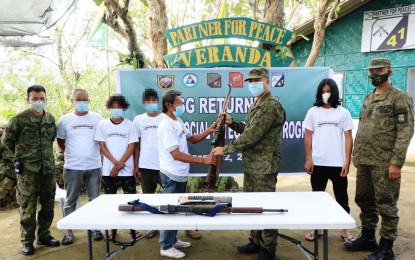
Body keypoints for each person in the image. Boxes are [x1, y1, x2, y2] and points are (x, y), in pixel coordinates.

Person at [211, 68, 286, 260]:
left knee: (266, 205)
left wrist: (225, 150)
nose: (253, 83)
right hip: (253, 164)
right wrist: (231, 122)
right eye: (250, 80)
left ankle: (269, 249)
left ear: (267, 81)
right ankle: (256, 241)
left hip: (265, 166)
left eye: (257, 80)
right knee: (253, 204)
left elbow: (252, 136)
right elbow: (249, 129)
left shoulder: (270, 105)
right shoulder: (258, 103)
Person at [344, 58, 414, 260]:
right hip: (365, 161)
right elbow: (363, 129)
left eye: (379, 70)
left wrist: (396, 162)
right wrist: (356, 153)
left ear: (389, 72)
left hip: (385, 163)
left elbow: (405, 131)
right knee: (364, 200)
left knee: (386, 204)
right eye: (371, 71)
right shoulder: (368, 98)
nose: (374, 74)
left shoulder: (399, 98)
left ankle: (386, 247)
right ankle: (367, 237)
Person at [157, 89, 217, 259]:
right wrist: (203, 161)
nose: (183, 105)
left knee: (177, 208)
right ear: (169, 105)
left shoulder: (177, 120)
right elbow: (175, 154)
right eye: (180, 103)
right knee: (170, 210)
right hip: (172, 173)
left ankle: (173, 239)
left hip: (181, 173)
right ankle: (165, 245)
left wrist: (209, 130)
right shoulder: (165, 126)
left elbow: (192, 139)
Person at [1, 85, 60, 255]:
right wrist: (22, 157)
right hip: (28, 172)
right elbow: (7, 141)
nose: (38, 101)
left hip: (47, 170)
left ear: (46, 99)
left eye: (41, 98)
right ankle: (27, 241)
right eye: (34, 98)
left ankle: (44, 235)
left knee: (48, 205)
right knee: (28, 207)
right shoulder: (18, 120)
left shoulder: (50, 118)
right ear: (28, 100)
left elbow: (50, 139)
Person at [303, 78, 354, 243]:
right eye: (323, 91)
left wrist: (346, 161)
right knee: (317, 197)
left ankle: (345, 229)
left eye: (329, 91)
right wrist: (309, 159)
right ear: (319, 93)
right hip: (318, 163)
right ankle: (318, 228)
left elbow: (348, 138)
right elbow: (308, 136)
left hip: (338, 164)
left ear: (335, 93)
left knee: (341, 197)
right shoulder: (313, 112)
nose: (326, 94)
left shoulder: (343, 113)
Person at [56, 89, 104, 245]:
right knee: (70, 200)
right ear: (72, 101)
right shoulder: (64, 120)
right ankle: (68, 231)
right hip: (72, 167)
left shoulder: (97, 118)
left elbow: (102, 141)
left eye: (85, 99)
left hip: (94, 166)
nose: (82, 102)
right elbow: (61, 142)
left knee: (94, 200)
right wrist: (74, 155)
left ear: (89, 101)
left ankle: (95, 228)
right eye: (78, 99)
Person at [95, 94, 139, 241]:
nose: (116, 109)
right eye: (113, 107)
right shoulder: (102, 125)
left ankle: (134, 229)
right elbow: (102, 146)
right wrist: (115, 163)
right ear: (108, 108)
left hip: (126, 170)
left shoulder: (130, 125)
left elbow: (132, 146)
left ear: (124, 108)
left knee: (131, 201)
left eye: (119, 106)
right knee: (110, 202)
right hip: (109, 171)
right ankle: (111, 229)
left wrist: (119, 165)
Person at [133, 88, 164, 239]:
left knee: (172, 197)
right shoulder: (138, 120)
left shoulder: (166, 118)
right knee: (148, 199)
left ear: (157, 101)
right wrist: (136, 165)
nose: (151, 103)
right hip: (145, 167)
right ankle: (153, 227)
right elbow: (137, 144)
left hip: (164, 167)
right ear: (144, 102)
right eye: (148, 101)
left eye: (153, 100)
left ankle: (179, 228)